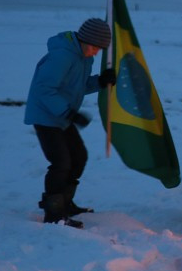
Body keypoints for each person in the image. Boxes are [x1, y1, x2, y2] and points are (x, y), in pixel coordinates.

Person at [24, 18, 116, 227]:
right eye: (95, 48)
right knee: (61, 162)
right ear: (85, 40)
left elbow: (77, 86)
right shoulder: (62, 57)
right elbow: (44, 89)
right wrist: (69, 113)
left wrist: (100, 82)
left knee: (79, 157)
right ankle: (54, 213)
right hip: (46, 116)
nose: (96, 53)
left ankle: (66, 203)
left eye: (100, 49)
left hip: (61, 116)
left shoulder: (83, 57)